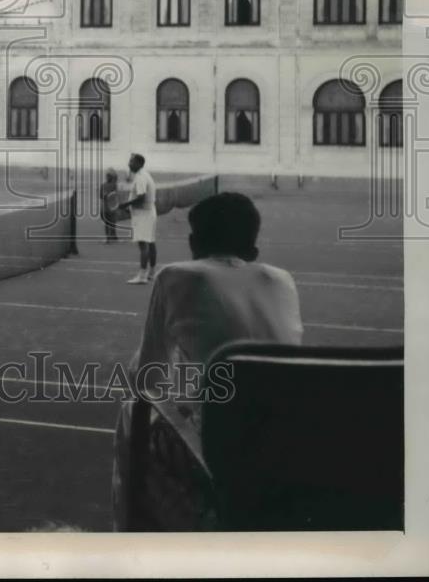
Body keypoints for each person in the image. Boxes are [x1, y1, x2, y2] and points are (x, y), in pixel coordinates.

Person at [111, 191, 303, 530]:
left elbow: (148, 379)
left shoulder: (176, 276)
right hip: (285, 441)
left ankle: (133, 532)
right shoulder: (282, 280)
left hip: (221, 447)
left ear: (193, 242)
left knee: (132, 411)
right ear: (253, 250)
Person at [121, 153, 156, 284]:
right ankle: (151, 273)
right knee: (150, 243)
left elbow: (141, 197)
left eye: (131, 161)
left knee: (143, 244)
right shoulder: (145, 174)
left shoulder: (141, 177)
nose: (129, 164)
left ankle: (142, 276)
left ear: (139, 164)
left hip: (143, 214)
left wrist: (126, 204)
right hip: (149, 212)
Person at [100, 168, 121, 243]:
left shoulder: (114, 185)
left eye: (109, 176)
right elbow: (101, 196)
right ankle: (108, 238)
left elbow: (115, 195)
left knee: (112, 223)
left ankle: (113, 237)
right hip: (106, 207)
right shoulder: (104, 185)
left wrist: (107, 195)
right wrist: (105, 195)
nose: (107, 177)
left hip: (111, 207)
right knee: (108, 223)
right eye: (107, 176)